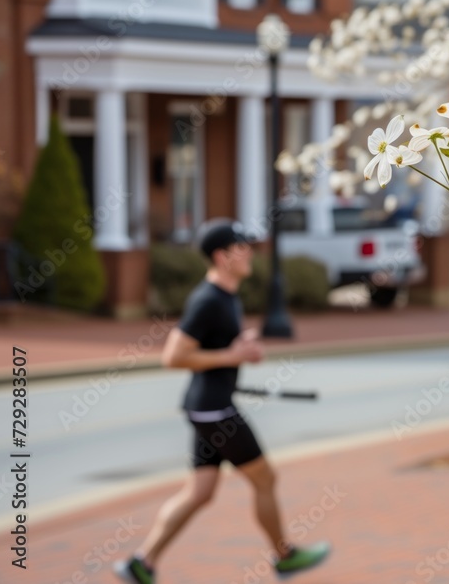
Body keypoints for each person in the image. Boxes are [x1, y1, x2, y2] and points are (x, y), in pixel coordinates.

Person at [115, 219, 329, 583]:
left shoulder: (226, 296)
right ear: (222, 256)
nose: (249, 252)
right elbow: (173, 357)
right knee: (265, 478)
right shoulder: (208, 299)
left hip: (207, 407)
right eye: (240, 247)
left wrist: (236, 348)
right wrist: (232, 357)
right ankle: (284, 556)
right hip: (215, 410)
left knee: (200, 492)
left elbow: (215, 348)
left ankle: (141, 563)